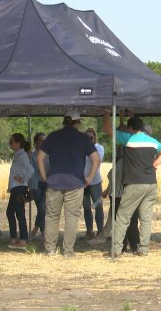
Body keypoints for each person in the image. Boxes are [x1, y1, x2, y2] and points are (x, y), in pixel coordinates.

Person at [103, 111, 161, 257]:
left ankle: (116, 249)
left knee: (122, 216)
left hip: (134, 183)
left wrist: (106, 114)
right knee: (146, 218)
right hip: (151, 183)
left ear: (131, 128)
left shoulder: (129, 138)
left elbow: (107, 129)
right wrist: (154, 164)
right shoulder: (152, 141)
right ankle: (143, 249)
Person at [37, 110, 100, 257]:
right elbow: (96, 159)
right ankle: (68, 251)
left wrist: (45, 176)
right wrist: (89, 178)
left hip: (54, 182)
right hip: (75, 183)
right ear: (77, 122)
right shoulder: (83, 138)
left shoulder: (53, 136)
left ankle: (50, 250)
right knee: (71, 217)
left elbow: (40, 157)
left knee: (52, 216)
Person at [88, 145, 140, 252]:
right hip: (115, 195)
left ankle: (133, 245)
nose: (117, 150)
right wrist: (107, 191)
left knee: (128, 222)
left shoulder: (127, 162)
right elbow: (114, 178)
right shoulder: (118, 162)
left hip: (123, 195)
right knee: (118, 222)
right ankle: (123, 245)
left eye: (119, 149)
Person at [7, 133, 34, 249]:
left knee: (18, 213)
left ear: (18, 143)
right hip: (16, 188)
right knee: (11, 212)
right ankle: (14, 238)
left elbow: (31, 170)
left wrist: (23, 180)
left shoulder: (22, 156)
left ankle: (22, 239)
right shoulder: (18, 155)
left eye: (11, 141)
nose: (10, 144)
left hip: (19, 188)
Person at [82, 128, 105, 239]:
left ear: (95, 138)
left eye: (91, 138)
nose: (89, 140)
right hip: (83, 182)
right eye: (86, 138)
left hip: (95, 181)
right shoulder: (81, 149)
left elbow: (97, 159)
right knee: (86, 207)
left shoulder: (99, 148)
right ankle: (89, 231)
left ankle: (100, 231)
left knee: (98, 206)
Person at [30, 133, 48, 238]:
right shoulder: (32, 155)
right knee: (41, 208)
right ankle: (42, 230)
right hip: (36, 184)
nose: (43, 142)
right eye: (41, 140)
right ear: (36, 142)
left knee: (43, 208)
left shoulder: (49, 154)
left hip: (47, 183)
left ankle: (37, 228)